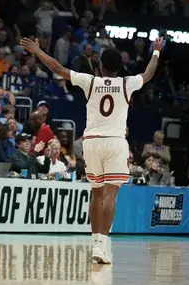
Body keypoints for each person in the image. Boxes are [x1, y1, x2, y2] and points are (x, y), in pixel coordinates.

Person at [20, 36, 163, 264]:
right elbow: (148, 74)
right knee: (110, 195)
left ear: (99, 66)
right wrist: (156, 51)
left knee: (97, 194)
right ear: (120, 68)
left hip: (92, 141)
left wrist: (37, 50)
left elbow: (57, 67)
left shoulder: (91, 81)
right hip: (115, 142)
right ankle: (103, 246)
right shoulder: (127, 83)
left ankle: (95, 243)